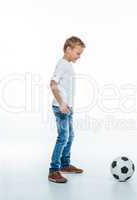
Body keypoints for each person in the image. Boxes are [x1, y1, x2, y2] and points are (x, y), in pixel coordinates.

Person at [48, 36, 86, 183]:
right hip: (60, 108)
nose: (79, 56)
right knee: (63, 137)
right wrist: (62, 103)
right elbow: (52, 84)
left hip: (67, 108)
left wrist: (69, 106)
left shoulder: (68, 65)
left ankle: (64, 164)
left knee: (70, 137)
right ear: (68, 49)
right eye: (78, 53)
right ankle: (53, 170)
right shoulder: (62, 64)